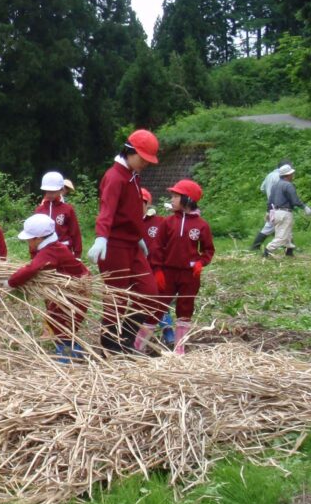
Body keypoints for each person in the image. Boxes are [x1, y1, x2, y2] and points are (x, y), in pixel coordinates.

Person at [87, 128, 165, 354]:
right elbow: (107, 210)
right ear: (130, 152)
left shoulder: (132, 175)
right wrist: (102, 237)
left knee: (150, 294)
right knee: (117, 298)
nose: (146, 164)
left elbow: (131, 211)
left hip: (132, 243)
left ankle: (126, 337)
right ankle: (111, 345)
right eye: (143, 158)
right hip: (114, 245)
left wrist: (139, 236)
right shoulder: (114, 176)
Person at [7, 213, 90, 362]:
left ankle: (67, 359)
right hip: (65, 292)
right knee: (57, 321)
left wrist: (10, 282)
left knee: (63, 325)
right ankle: (75, 352)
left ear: (38, 238)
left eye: (29, 240)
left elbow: (31, 269)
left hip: (74, 294)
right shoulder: (53, 247)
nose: (28, 244)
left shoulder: (50, 251)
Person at [151, 180, 215, 355]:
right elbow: (157, 246)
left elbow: (208, 249)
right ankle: (139, 345)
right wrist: (157, 270)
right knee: (157, 306)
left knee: (185, 308)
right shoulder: (168, 222)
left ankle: (180, 348)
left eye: (175, 196)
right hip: (167, 272)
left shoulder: (202, 225)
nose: (171, 199)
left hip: (189, 275)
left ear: (187, 200)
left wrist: (201, 263)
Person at [142, 188, 175, 346]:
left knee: (159, 301)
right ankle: (139, 338)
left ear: (148, 203)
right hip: (135, 270)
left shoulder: (159, 222)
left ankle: (168, 334)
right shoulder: (127, 222)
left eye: (142, 202)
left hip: (155, 268)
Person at [264, 165, 311, 257]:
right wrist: (304, 207)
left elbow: (270, 200)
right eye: (292, 174)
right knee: (282, 237)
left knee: (288, 233)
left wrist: (268, 212)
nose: (293, 175)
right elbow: (295, 200)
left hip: (275, 212)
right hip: (285, 213)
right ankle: (267, 251)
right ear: (288, 175)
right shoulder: (288, 185)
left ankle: (289, 252)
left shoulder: (275, 185)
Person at [35, 171, 82, 256]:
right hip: (44, 252)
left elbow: (75, 232)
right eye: (48, 191)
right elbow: (34, 235)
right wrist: (34, 254)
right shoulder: (39, 210)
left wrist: (77, 254)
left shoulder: (68, 209)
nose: (50, 194)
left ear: (61, 190)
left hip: (64, 250)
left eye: (53, 191)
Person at [251, 160, 293, 250]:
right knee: (275, 226)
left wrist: (269, 193)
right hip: (279, 204)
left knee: (278, 226)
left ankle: (289, 248)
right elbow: (283, 189)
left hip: (271, 204)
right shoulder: (280, 177)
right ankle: (257, 246)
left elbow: (262, 188)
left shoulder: (269, 175)